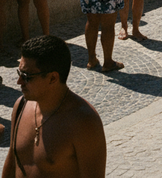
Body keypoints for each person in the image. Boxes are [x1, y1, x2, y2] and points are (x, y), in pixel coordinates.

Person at [3, 35, 106, 177]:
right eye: (20, 73)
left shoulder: (83, 122)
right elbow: (11, 163)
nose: (19, 82)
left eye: (27, 76)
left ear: (53, 78)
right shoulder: (21, 106)